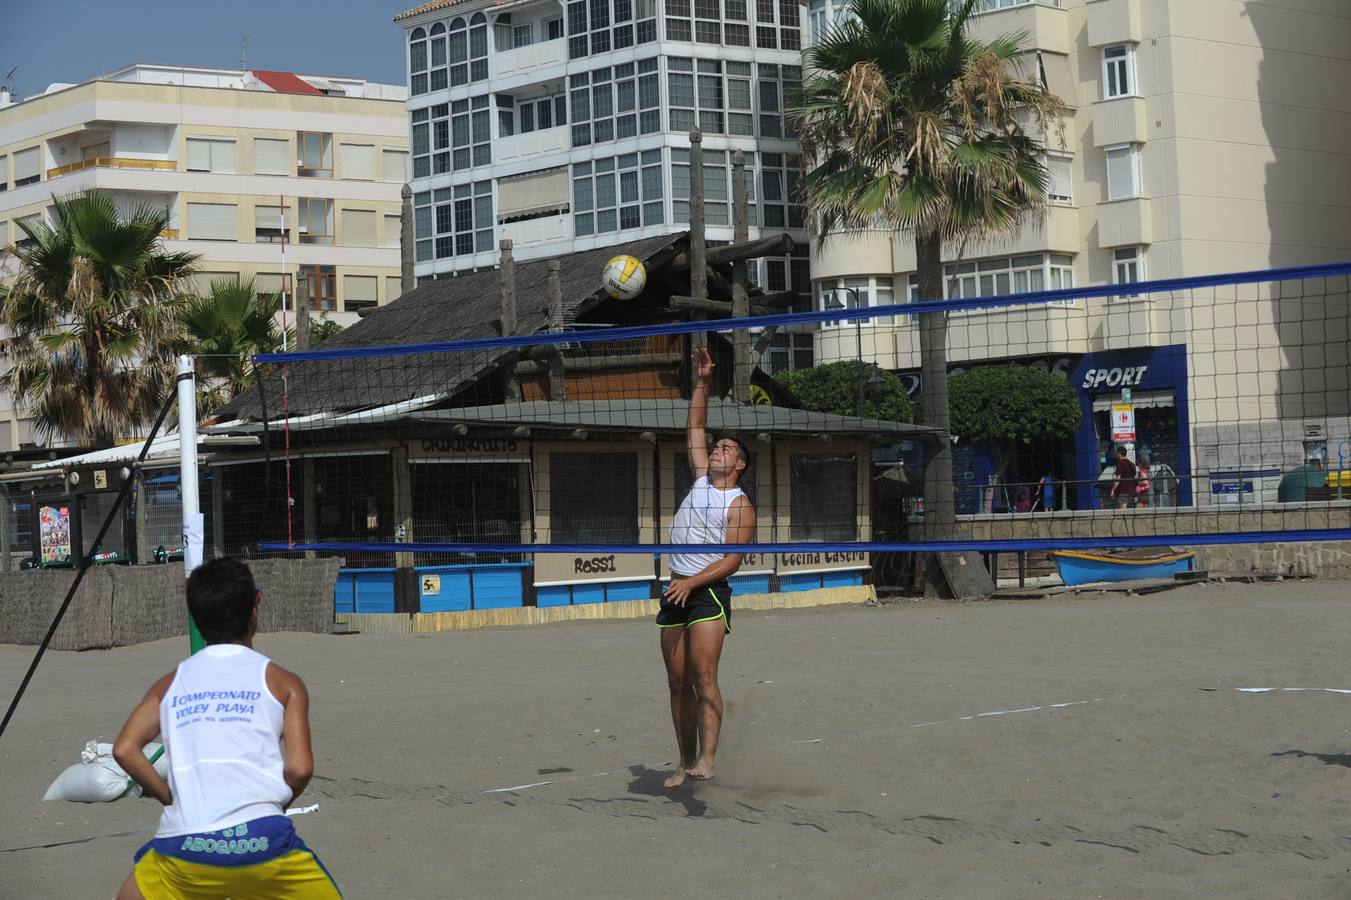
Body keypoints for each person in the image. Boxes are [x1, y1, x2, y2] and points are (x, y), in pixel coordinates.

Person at [112, 558, 340, 899]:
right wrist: (275, 805)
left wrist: (168, 797)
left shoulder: (169, 684)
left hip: (185, 846)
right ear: (256, 606)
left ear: (195, 617)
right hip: (266, 846)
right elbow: (300, 767)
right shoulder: (284, 683)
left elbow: (125, 749)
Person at [658, 346, 756, 787]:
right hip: (676, 588)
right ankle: (684, 760)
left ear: (740, 464)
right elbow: (695, 423)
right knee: (677, 684)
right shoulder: (701, 479)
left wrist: (693, 582)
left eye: (726, 448)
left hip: (707, 591)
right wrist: (703, 380)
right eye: (716, 446)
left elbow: (732, 561)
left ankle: (708, 760)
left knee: (703, 677)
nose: (717, 450)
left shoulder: (739, 504)